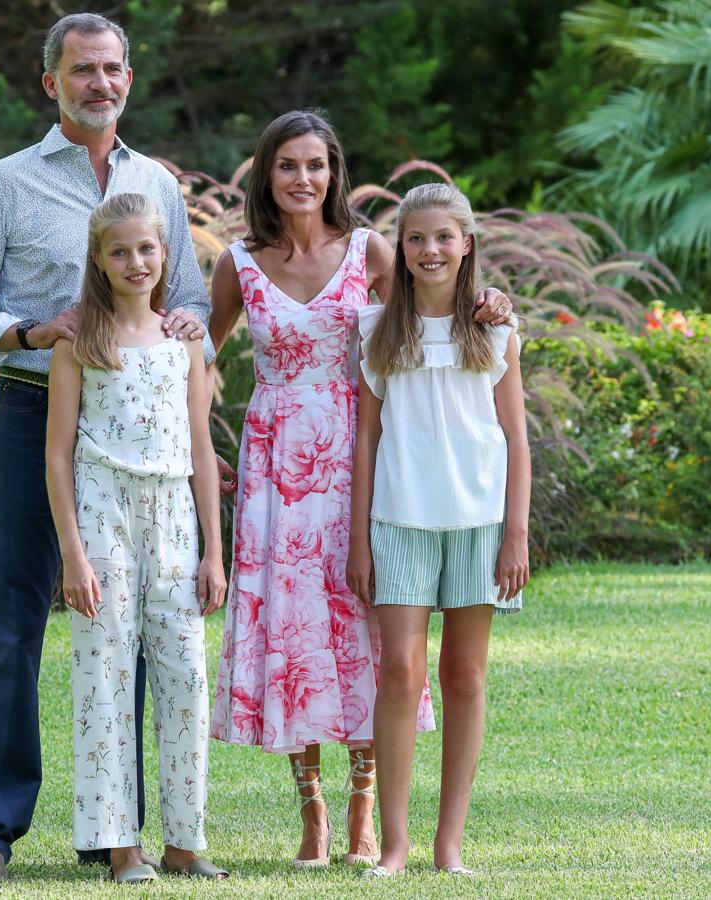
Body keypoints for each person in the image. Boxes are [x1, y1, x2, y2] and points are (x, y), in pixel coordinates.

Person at [0, 13, 213, 882]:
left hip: (140, 434)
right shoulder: (6, 184)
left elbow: (195, 305)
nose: (101, 83)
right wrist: (27, 329)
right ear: (50, 82)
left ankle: (112, 833)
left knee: (128, 630)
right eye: (83, 70)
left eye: (114, 69)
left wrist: (180, 331)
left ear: (130, 78)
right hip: (34, 423)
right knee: (12, 627)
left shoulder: (158, 184)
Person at [205, 110, 515, 868]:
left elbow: (427, 305)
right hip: (277, 465)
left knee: (367, 638)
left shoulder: (372, 247)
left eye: (315, 164)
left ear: (334, 172)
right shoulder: (237, 263)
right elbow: (196, 359)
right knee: (296, 632)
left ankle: (366, 810)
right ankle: (311, 807)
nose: (302, 179)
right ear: (265, 175)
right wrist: (200, 450)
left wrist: (491, 304)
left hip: (368, 457)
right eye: (286, 165)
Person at [347, 182, 531, 878]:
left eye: (443, 237)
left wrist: (516, 533)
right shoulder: (373, 331)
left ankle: (447, 846)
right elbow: (366, 441)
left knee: (465, 674)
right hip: (399, 519)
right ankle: (393, 846)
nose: (430, 250)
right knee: (399, 672)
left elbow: (516, 437)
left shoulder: (495, 328)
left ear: (467, 245)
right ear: (401, 248)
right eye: (416, 238)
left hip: (479, 522)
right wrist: (361, 536)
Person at [46, 192, 229, 884]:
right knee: (105, 675)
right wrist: (73, 552)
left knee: (185, 672)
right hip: (102, 516)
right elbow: (57, 454)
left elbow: (204, 449)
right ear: (98, 259)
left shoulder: (185, 343)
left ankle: (186, 840)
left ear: (165, 254)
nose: (136, 261)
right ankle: (121, 845)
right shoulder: (78, 343)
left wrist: (215, 549)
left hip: (174, 515)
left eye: (147, 249)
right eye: (120, 251)